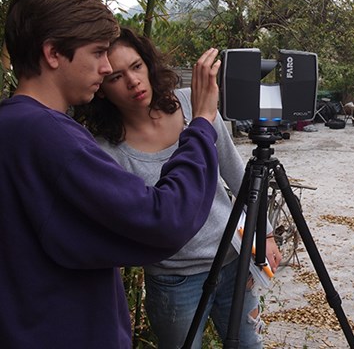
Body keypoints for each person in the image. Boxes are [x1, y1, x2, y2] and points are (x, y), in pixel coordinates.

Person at [0, 0, 222, 348]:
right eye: (99, 52)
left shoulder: (11, 127)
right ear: (53, 53)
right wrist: (200, 124)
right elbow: (163, 220)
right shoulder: (50, 138)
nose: (106, 69)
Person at [75, 27, 282, 349]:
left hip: (232, 260)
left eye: (136, 66)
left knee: (248, 345)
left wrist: (264, 232)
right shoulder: (106, 150)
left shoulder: (192, 104)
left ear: (148, 65)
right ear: (101, 87)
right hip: (174, 280)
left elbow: (235, 172)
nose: (133, 82)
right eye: (116, 77)